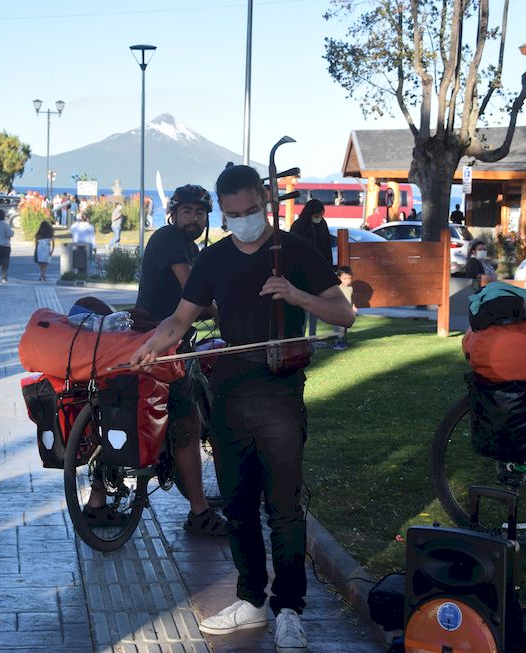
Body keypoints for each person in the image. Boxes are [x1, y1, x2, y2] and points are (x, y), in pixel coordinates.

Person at [130, 164, 354, 652]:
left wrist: (295, 294)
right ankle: (251, 599)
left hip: (279, 392)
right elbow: (178, 320)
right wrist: (152, 345)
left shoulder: (294, 251)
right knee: (238, 504)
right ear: (223, 212)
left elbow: (345, 313)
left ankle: (290, 609)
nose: (243, 221)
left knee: (285, 508)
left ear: (265, 204)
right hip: (229, 394)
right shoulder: (212, 260)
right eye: (233, 214)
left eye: (251, 211)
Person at [134, 184, 226, 536]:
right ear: (173, 213)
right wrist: (220, 312)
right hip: (162, 344)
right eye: (187, 211)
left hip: (148, 338)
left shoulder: (185, 244)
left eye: (200, 212)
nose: (194, 218)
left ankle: (99, 499)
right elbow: (193, 290)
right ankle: (200, 512)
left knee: (132, 412)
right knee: (186, 424)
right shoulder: (172, 239)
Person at [290, 198, 334, 337]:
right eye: (317, 216)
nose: (319, 218)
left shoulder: (322, 225)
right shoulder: (298, 226)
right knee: (302, 306)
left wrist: (328, 267)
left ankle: (313, 336)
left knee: (315, 306)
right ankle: (301, 336)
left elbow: (326, 246)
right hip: (301, 273)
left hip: (317, 271)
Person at [333, 266, 357, 350]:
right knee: (340, 329)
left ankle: (344, 341)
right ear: (339, 278)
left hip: (348, 312)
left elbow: (351, 299)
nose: (347, 281)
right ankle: (337, 343)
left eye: (349, 279)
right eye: (345, 278)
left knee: (346, 328)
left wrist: (353, 306)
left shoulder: (350, 288)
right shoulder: (337, 288)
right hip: (339, 312)